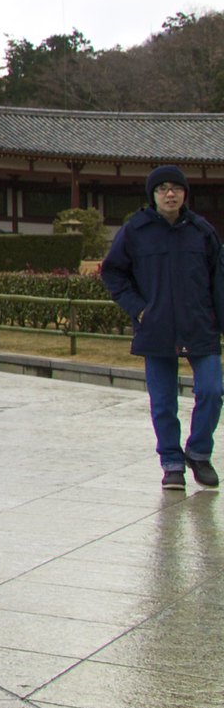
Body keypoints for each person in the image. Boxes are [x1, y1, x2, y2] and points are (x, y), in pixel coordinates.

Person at [101, 165, 224, 491]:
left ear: (185, 194)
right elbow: (113, 273)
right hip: (155, 327)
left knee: (212, 391)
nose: (170, 194)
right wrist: (138, 309)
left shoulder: (202, 231)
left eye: (176, 188)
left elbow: (218, 280)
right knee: (163, 401)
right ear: (152, 194)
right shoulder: (135, 230)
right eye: (162, 188)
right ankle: (171, 463)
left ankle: (198, 452)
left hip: (200, 325)